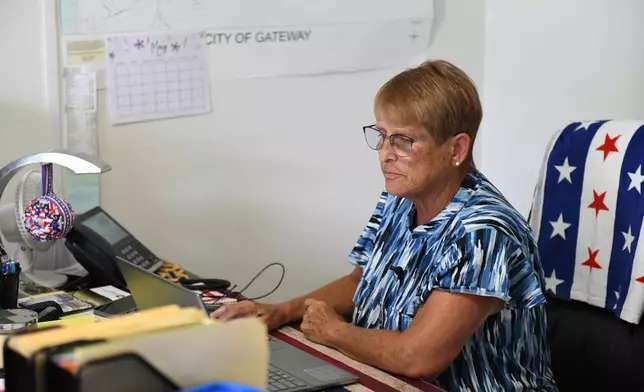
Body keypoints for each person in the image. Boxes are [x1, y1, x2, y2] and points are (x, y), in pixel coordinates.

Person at [211, 60, 558, 392]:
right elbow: (360, 282)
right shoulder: (400, 200)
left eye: (403, 141)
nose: (384, 153)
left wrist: (336, 333)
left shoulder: (484, 231)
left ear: (456, 148)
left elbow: (418, 358)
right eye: (381, 135)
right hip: (385, 378)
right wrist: (281, 311)